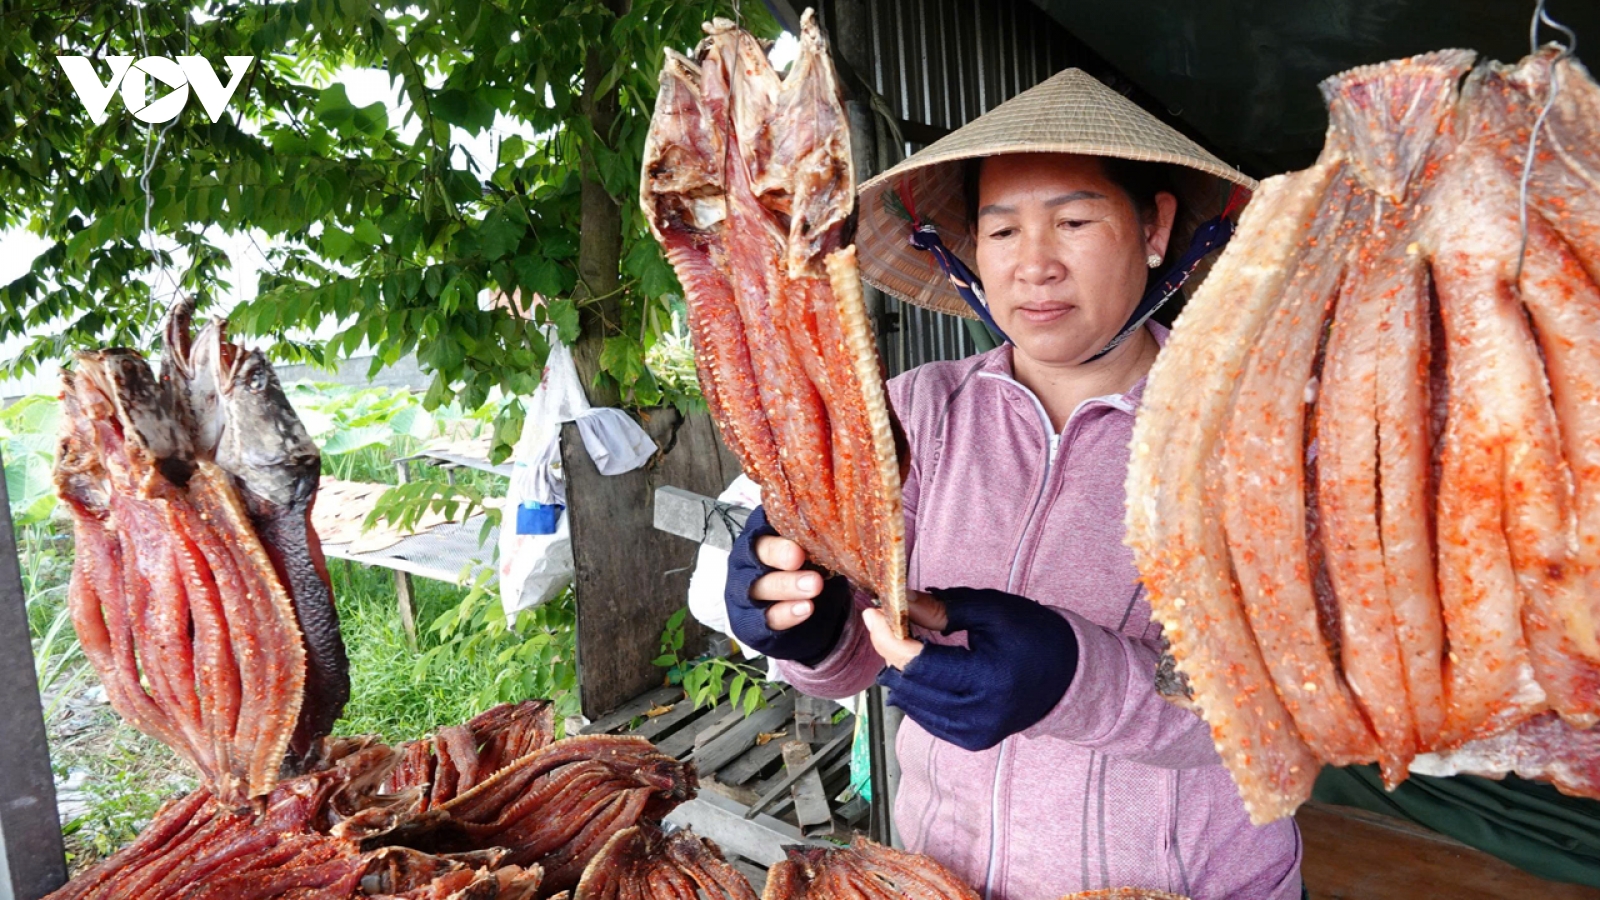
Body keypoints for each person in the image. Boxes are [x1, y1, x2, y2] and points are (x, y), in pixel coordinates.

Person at [722, 68, 1301, 899]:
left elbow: (1286, 708)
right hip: (940, 879)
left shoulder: (1261, 433)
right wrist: (810, 636)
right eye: (1001, 232)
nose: (1034, 266)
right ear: (968, 251)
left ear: (1155, 226)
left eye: (1073, 220)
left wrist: (1076, 677)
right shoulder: (911, 416)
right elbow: (862, 656)